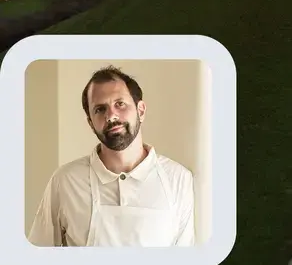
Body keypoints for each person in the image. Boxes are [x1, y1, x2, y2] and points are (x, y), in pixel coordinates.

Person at [28, 65, 195, 247]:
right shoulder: (65, 181)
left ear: (141, 111)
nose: (111, 116)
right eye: (100, 109)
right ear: (91, 123)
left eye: (120, 104)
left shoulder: (178, 179)